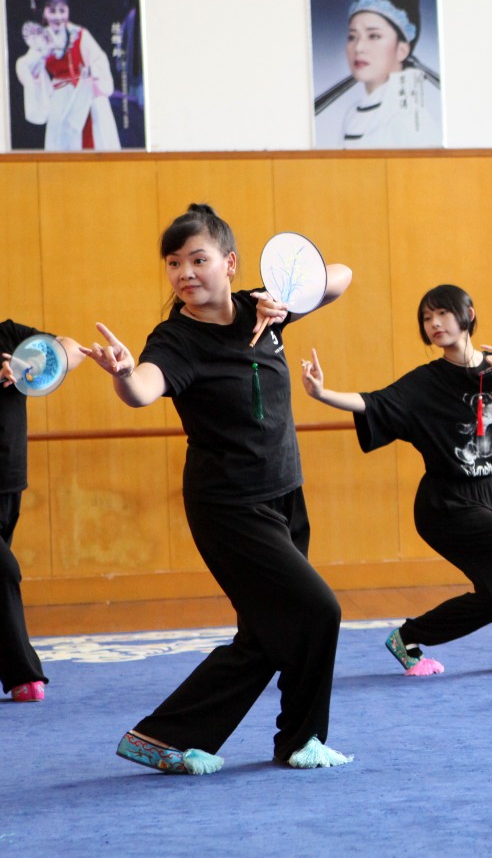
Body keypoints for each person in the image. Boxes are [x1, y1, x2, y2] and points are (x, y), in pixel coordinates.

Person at [82, 203, 353, 774]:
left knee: (267, 632)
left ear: (229, 263)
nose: (184, 272)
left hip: (285, 494)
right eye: (173, 263)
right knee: (317, 610)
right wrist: (125, 374)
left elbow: (341, 276)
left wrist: (285, 298)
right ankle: (299, 737)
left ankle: (167, 738)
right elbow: (144, 389)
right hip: (230, 507)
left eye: (197, 259)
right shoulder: (175, 339)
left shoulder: (261, 309)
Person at [300, 285, 492, 676]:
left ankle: (408, 637)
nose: (434, 324)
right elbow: (373, 402)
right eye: (427, 318)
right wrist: (322, 393)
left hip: (488, 496)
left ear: (468, 314)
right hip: (444, 505)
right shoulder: (425, 383)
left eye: (442, 314)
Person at [0, 323, 85, 702]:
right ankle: (22, 673)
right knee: (2, 570)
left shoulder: (8, 336)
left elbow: (70, 347)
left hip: (6, 483)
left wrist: (36, 363)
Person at [313, 0, 442, 149]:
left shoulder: (410, 118)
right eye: (352, 37)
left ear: (402, 50)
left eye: (374, 36)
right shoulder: (353, 114)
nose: (358, 47)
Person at [13, 0, 120, 151]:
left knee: (96, 140)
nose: (58, 16)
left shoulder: (80, 34)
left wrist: (91, 72)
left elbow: (99, 60)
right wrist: (38, 63)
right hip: (62, 99)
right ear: (44, 13)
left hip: (87, 95)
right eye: (52, 11)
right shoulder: (41, 39)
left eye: (62, 10)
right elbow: (25, 64)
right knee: (64, 144)